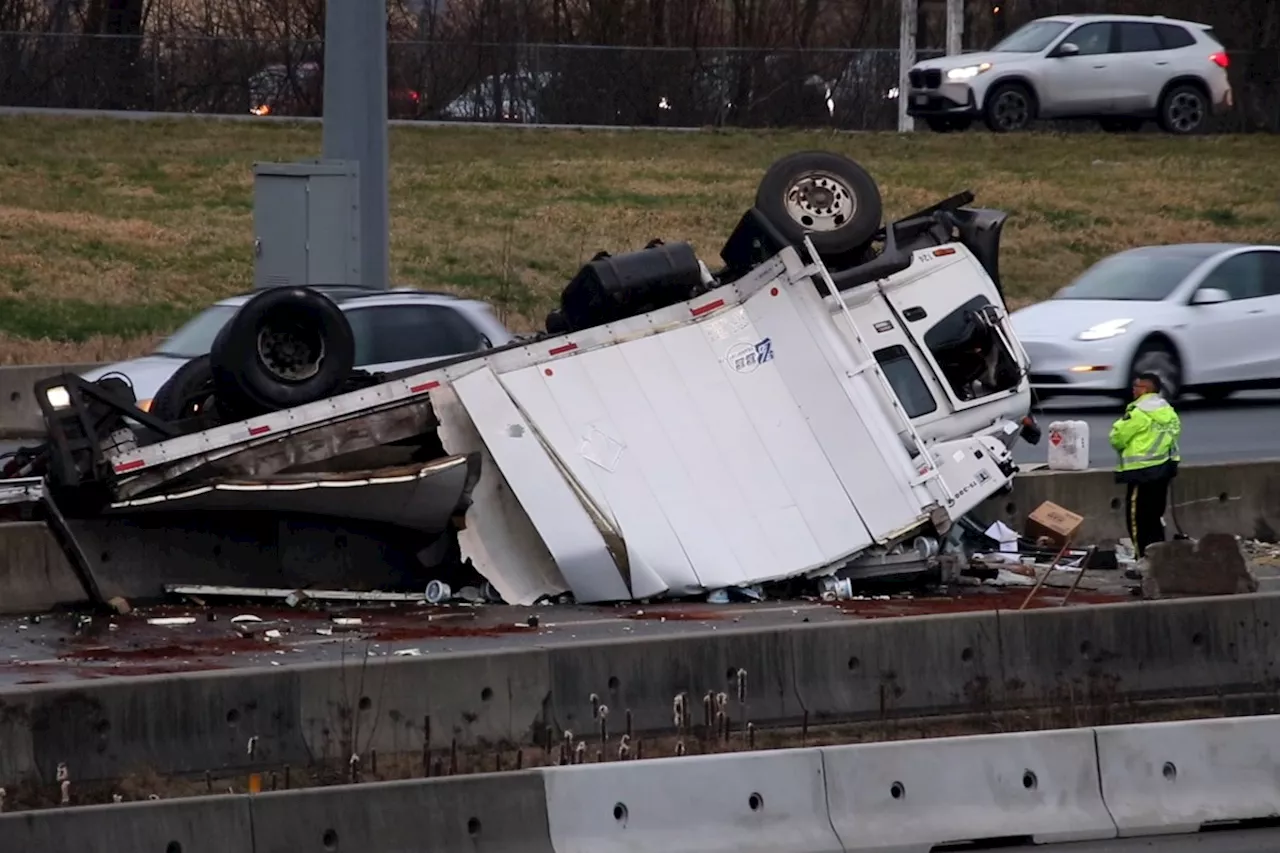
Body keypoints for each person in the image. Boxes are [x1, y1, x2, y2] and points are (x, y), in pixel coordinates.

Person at [1109, 372, 1181, 569]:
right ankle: (1158, 559)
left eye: (1137, 387)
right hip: (1164, 469)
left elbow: (1117, 437)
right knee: (1155, 517)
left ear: (1146, 389)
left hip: (1141, 472)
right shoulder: (1167, 410)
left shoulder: (1138, 411)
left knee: (1137, 520)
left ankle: (1143, 560)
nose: (1133, 390)